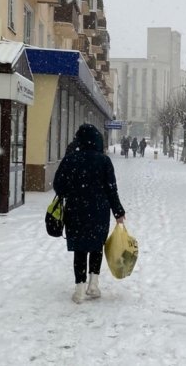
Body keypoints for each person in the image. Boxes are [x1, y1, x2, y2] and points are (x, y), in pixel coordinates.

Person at [53, 124, 127, 304]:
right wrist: (118, 212)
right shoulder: (104, 161)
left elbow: (58, 186)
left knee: (79, 249)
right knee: (96, 247)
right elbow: (111, 189)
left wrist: (73, 190)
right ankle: (93, 285)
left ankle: (79, 289)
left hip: (75, 211)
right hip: (99, 212)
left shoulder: (71, 159)